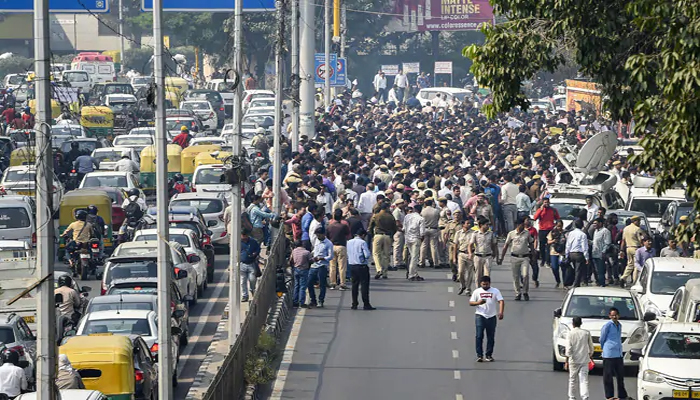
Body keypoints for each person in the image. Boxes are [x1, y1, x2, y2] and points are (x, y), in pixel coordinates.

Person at [469, 276, 504, 362]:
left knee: (491, 337)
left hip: (491, 316)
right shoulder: (477, 291)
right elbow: (471, 302)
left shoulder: (495, 291)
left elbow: (501, 301)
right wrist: (478, 302)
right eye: (483, 284)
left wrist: (501, 312)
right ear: (480, 284)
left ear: (490, 283)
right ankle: (479, 355)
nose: (485, 286)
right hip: (480, 315)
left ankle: (489, 355)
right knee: (479, 336)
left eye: (486, 284)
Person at [499, 216, 534, 301]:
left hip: (525, 257)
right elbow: (506, 246)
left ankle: (525, 292)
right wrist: (501, 258)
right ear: (517, 225)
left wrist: (533, 255)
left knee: (525, 275)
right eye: (521, 224)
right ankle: (518, 293)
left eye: (523, 224)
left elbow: (531, 244)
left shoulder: (527, 233)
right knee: (515, 276)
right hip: (514, 257)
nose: (522, 226)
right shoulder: (511, 234)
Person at [600, 307, 631, 400]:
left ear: (618, 315)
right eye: (612, 315)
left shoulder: (619, 325)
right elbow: (602, 338)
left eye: (615, 315)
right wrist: (605, 348)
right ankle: (609, 396)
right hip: (609, 354)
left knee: (620, 376)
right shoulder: (607, 325)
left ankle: (622, 395)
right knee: (608, 376)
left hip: (618, 354)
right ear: (609, 316)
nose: (614, 317)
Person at [565, 317, 594, 400]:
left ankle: (571, 397)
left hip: (573, 360)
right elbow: (591, 348)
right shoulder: (586, 333)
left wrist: (567, 360)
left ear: (573, 324)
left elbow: (568, 349)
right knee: (584, 379)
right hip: (584, 360)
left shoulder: (570, 333)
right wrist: (590, 356)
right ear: (581, 323)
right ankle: (585, 397)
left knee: (572, 379)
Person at [347, 228, 375, 310]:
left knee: (354, 285)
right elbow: (367, 254)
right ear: (363, 235)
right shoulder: (362, 242)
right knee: (364, 285)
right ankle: (366, 304)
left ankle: (354, 303)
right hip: (361, 266)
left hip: (352, 265)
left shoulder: (349, 242)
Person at [368, 202, 397, 279]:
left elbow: (370, 226)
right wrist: (391, 235)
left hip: (378, 235)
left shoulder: (376, 216)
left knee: (376, 254)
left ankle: (379, 269)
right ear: (387, 208)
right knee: (386, 255)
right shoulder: (391, 217)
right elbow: (395, 228)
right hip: (387, 236)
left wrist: (371, 235)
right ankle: (385, 273)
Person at [308, 227, 333, 308]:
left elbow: (330, 256)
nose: (318, 237)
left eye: (319, 235)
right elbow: (314, 250)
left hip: (322, 265)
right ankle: (313, 300)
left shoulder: (328, 243)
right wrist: (311, 255)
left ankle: (321, 300)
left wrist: (322, 258)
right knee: (309, 282)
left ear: (323, 234)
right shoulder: (316, 240)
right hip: (314, 265)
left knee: (322, 284)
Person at [468, 216, 498, 283]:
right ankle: (478, 291)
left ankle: (486, 290)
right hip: (478, 256)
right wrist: (470, 253)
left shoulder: (491, 234)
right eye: (487, 225)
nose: (488, 227)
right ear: (481, 225)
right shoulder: (475, 234)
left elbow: (494, 245)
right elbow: (470, 245)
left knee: (487, 275)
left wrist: (495, 254)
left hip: (488, 256)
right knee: (478, 275)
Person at [326, 209, 350, 290]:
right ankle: (342, 283)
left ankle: (333, 282)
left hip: (332, 246)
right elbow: (348, 235)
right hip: (341, 246)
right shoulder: (344, 226)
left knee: (332, 266)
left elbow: (327, 236)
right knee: (342, 266)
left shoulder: (329, 226)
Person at [619, 215, 646, 287]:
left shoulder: (626, 229)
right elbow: (641, 240)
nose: (639, 223)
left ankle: (623, 277)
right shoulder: (638, 229)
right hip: (636, 248)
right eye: (638, 221)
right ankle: (635, 281)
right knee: (636, 266)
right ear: (635, 221)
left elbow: (623, 241)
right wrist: (643, 249)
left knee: (630, 264)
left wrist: (621, 250)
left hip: (628, 248)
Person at [533, 197, 560, 267]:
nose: (546, 204)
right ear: (543, 203)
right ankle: (543, 260)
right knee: (542, 246)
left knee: (549, 246)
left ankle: (548, 261)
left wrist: (556, 226)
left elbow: (558, 219)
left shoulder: (553, 210)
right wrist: (540, 210)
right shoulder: (540, 210)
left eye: (547, 202)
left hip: (550, 230)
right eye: (545, 202)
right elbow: (535, 218)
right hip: (542, 230)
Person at [453, 218, 475, 295]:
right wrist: (454, 257)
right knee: (461, 272)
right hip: (461, 254)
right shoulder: (458, 233)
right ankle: (463, 285)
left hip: (471, 254)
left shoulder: (473, 233)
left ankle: (468, 289)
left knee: (470, 273)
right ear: (463, 224)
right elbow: (455, 245)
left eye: (470, 223)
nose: (469, 225)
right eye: (467, 223)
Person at [403, 203, 426, 281]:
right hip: (416, 238)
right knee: (414, 257)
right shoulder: (421, 219)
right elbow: (422, 232)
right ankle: (411, 274)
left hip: (408, 238)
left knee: (412, 256)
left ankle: (413, 273)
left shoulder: (407, 216)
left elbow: (404, 228)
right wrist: (421, 239)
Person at [566, 219, 590, 288]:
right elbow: (584, 246)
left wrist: (567, 254)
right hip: (579, 254)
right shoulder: (583, 234)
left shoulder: (571, 233)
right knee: (578, 270)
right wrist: (586, 257)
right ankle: (576, 284)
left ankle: (574, 282)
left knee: (574, 268)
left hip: (571, 253)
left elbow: (568, 244)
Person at [240, 229, 261, 302]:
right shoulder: (238, 242)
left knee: (252, 279)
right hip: (242, 264)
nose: (244, 237)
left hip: (251, 264)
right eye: (242, 236)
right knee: (243, 281)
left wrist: (255, 253)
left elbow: (258, 249)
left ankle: (252, 289)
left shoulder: (253, 242)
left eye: (245, 235)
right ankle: (244, 295)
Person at [290, 240, 312, 308]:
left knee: (296, 285)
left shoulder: (294, 251)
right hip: (304, 270)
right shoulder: (307, 252)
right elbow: (311, 261)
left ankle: (295, 302)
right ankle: (301, 302)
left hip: (296, 269)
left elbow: (291, 260)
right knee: (303, 287)